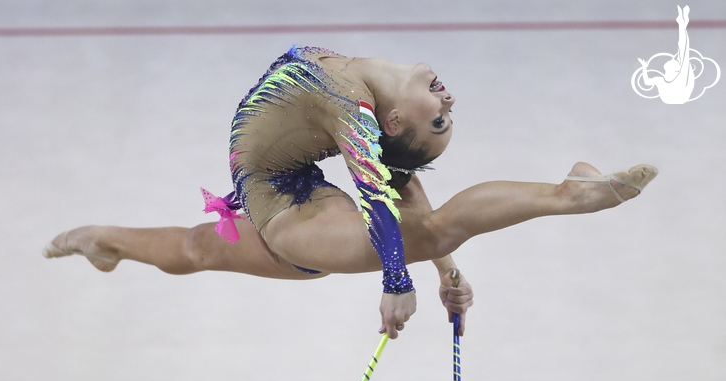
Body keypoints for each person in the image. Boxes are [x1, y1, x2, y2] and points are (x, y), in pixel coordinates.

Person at [43, 46, 658, 339]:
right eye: (443, 117)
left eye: (439, 119)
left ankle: (568, 194)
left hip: (291, 206)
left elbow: (388, 190)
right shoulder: (354, 96)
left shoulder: (355, 108)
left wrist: (430, 274)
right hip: (284, 204)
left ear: (389, 126)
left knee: (436, 231)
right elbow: (387, 191)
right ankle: (108, 242)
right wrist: (405, 277)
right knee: (201, 249)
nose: (448, 101)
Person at [638, 5, 695, 104]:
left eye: (673, 61)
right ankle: (682, 23)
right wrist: (644, 67)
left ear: (675, 69)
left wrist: (682, 26)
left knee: (683, 51)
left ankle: (682, 23)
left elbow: (684, 49)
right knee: (683, 52)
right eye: (674, 61)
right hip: (674, 97)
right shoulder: (661, 80)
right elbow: (647, 82)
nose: (671, 59)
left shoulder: (678, 77)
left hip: (679, 96)